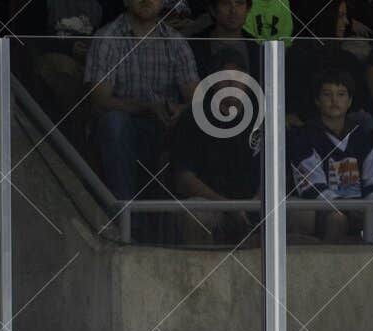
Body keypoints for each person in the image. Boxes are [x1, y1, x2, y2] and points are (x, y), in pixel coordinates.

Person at [85, 0, 199, 199]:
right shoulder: (108, 37)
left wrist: (180, 110)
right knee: (115, 123)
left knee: (193, 122)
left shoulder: (176, 42)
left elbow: (196, 99)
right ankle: (124, 215)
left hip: (166, 128)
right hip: (124, 129)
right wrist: (148, 107)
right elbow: (100, 100)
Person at [288, 69, 373, 242]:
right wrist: (347, 209)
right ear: (317, 100)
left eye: (341, 94)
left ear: (350, 101)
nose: (334, 100)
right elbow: (313, 187)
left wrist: (367, 207)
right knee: (337, 219)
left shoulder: (362, 137)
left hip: (361, 209)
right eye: (327, 94)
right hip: (324, 210)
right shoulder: (304, 137)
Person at [170, 62, 263, 245]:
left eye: (238, 79)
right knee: (195, 214)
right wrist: (228, 206)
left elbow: (277, 171)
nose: (231, 85)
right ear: (213, 83)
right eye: (225, 79)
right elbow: (184, 178)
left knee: (300, 213)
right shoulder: (193, 117)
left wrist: (257, 203)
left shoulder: (262, 116)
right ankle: (201, 273)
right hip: (211, 203)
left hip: (256, 205)